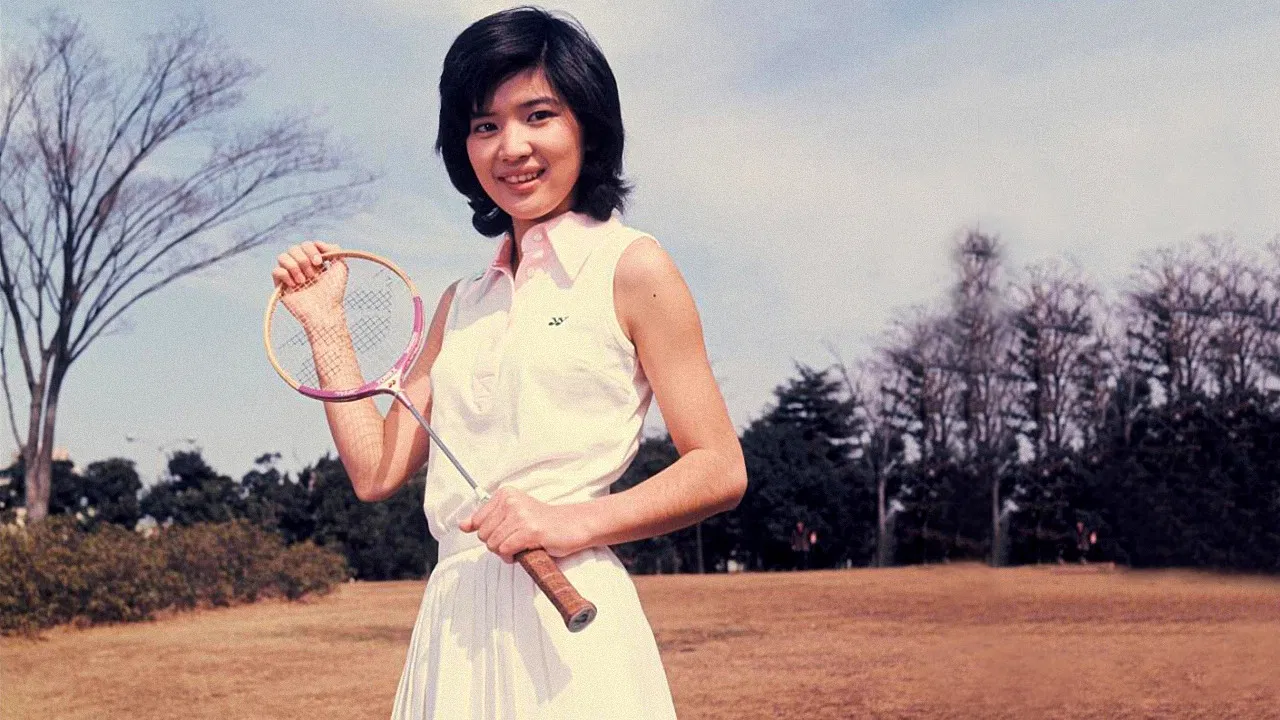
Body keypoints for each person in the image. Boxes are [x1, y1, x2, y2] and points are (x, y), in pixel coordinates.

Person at [270, 7, 746, 719]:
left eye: (538, 115)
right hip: (454, 625)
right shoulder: (461, 301)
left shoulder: (632, 266)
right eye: (484, 125)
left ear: (587, 124)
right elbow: (375, 471)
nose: (511, 146)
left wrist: (568, 522)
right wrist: (325, 324)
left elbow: (720, 467)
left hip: (570, 615)